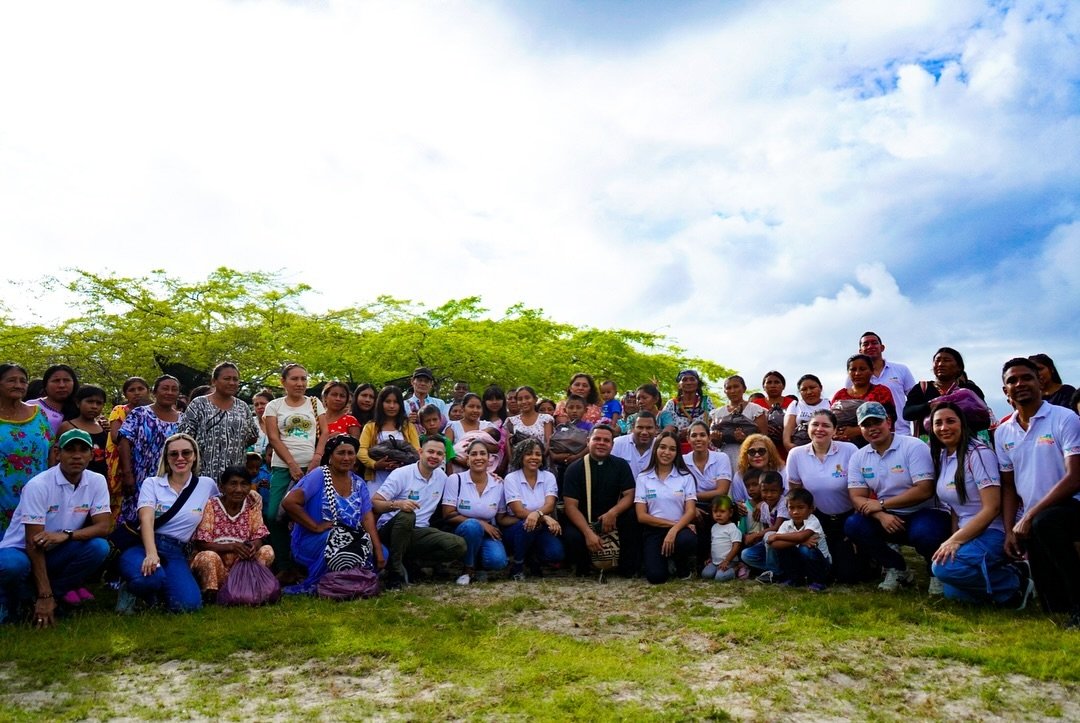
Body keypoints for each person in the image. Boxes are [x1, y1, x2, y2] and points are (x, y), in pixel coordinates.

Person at [996, 358, 1080, 626]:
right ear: (1004, 390)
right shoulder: (1002, 432)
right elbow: (1008, 486)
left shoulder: (1064, 417)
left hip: (1069, 507)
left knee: (1047, 521)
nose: (1019, 384)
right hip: (1033, 520)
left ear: (1039, 382)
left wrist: (1030, 515)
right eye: (1012, 380)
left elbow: (1075, 476)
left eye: (1026, 378)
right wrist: (1010, 529)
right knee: (1051, 606)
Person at [0, 430, 110, 626]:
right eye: (70, 450)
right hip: (21, 551)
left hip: (57, 547)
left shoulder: (96, 481)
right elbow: (33, 544)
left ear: (91, 455)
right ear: (58, 454)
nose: (77, 456)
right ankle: (19, 601)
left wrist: (66, 536)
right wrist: (44, 594)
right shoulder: (39, 485)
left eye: (83, 450)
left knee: (99, 547)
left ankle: (48, 598)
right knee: (12, 566)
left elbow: (104, 526)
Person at [844, 402, 949, 593]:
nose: (872, 428)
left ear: (889, 422)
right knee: (853, 524)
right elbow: (857, 497)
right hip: (887, 515)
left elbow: (924, 489)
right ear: (860, 429)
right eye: (866, 425)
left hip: (924, 512)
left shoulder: (913, 446)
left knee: (925, 533)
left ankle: (936, 572)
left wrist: (882, 504)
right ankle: (897, 568)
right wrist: (881, 514)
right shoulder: (859, 457)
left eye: (877, 422)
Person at [927, 402, 1025, 606]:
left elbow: (992, 508)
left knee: (943, 569)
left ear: (962, 423)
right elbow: (956, 506)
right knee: (953, 592)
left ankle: (1016, 584)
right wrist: (953, 538)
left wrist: (954, 541)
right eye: (938, 423)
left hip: (993, 532)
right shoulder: (944, 455)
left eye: (950, 421)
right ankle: (1003, 576)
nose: (944, 427)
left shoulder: (978, 453)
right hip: (969, 532)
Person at [117, 433, 219, 613]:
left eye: (186, 453)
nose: (180, 458)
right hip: (144, 544)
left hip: (175, 550)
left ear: (194, 456)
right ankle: (131, 589)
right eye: (174, 454)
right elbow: (146, 519)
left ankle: (156, 595)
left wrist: (252, 495)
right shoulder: (153, 483)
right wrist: (151, 554)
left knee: (189, 605)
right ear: (166, 458)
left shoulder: (206, 485)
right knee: (149, 578)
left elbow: (220, 508)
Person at [280, 435, 385, 594]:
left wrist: (377, 548)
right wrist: (315, 526)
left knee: (382, 552)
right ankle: (327, 582)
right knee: (338, 541)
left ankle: (348, 582)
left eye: (350, 453)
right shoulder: (319, 475)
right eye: (341, 453)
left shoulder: (358, 483)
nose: (346, 458)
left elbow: (367, 517)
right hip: (315, 539)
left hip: (349, 537)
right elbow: (289, 503)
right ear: (330, 456)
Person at [372, 434, 467, 589]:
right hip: (392, 529)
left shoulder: (442, 478)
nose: (434, 456)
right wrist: (398, 504)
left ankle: (411, 563)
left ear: (443, 457)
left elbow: (463, 488)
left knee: (457, 545)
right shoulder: (402, 474)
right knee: (407, 516)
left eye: (439, 454)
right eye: (430, 452)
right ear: (420, 452)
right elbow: (375, 503)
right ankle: (395, 572)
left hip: (418, 531)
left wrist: (491, 478)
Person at [263, 363, 328, 574]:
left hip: (311, 468)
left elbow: (325, 433)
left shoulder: (315, 403)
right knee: (274, 515)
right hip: (283, 467)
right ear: (283, 382)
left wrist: (317, 459)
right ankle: (284, 564)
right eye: (295, 379)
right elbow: (273, 437)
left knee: (309, 515)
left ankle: (307, 564)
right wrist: (291, 464)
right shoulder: (274, 405)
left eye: (304, 379)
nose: (300, 383)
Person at [785, 410, 862, 583]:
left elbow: (859, 488)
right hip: (817, 520)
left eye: (826, 425)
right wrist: (803, 528)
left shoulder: (849, 450)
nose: (820, 429)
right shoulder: (796, 454)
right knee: (822, 568)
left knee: (847, 576)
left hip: (847, 518)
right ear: (808, 428)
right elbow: (796, 495)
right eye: (815, 425)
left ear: (835, 430)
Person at [561, 425, 640, 577]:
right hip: (584, 520)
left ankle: (625, 568)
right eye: (597, 439)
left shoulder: (621, 465)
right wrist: (588, 533)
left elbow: (630, 494)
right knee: (573, 536)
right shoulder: (574, 469)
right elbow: (570, 506)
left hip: (613, 518)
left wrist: (613, 513)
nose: (601, 443)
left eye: (606, 440)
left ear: (612, 445)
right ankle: (584, 568)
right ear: (588, 441)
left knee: (632, 517)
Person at [190, 465, 274, 603]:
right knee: (207, 557)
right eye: (233, 484)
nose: (239, 489)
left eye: (244, 484)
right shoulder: (211, 505)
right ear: (222, 487)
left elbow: (259, 535)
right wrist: (232, 546)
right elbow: (201, 543)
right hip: (219, 566)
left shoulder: (252, 505)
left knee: (267, 550)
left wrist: (253, 546)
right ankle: (212, 594)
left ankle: (250, 589)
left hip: (242, 566)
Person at [117, 375, 183, 531]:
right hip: (139, 476)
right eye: (165, 388)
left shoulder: (183, 419)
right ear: (154, 392)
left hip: (168, 479)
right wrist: (127, 474)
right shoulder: (140, 413)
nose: (169, 392)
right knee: (136, 520)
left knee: (163, 520)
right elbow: (124, 442)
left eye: (174, 389)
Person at [441, 440, 511, 585]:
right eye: (474, 454)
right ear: (467, 460)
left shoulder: (498, 483)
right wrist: (480, 523)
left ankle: (479, 565)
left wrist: (533, 516)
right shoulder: (455, 480)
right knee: (472, 526)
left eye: (482, 454)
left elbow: (501, 517)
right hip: (462, 531)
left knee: (498, 561)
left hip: (487, 534)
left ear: (489, 459)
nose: (478, 457)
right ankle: (468, 569)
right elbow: (448, 514)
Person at [179, 362, 259, 484]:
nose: (232, 382)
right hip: (203, 474)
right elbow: (184, 438)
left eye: (235, 379)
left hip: (235, 477)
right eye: (226, 379)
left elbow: (252, 437)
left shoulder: (243, 407)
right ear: (214, 381)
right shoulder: (199, 404)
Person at [635, 430, 698, 584]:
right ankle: (664, 560)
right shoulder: (643, 477)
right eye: (662, 447)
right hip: (654, 530)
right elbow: (641, 516)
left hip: (680, 530)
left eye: (672, 449)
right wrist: (672, 526)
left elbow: (690, 511)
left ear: (677, 453)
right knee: (656, 578)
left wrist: (675, 530)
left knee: (687, 540)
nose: (666, 452)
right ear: (655, 449)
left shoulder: (685, 477)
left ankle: (680, 563)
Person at [501, 439, 563, 580]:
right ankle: (517, 566)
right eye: (529, 454)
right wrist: (544, 517)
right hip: (517, 528)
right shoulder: (511, 478)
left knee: (556, 553)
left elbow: (550, 505)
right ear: (521, 457)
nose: (534, 457)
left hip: (541, 527)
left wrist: (538, 514)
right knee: (527, 525)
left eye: (538, 454)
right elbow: (518, 511)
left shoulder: (548, 476)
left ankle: (532, 557)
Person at [903, 347, 987, 438]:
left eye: (946, 360)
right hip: (929, 446)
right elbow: (907, 413)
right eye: (937, 360)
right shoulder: (922, 388)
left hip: (964, 445)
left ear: (959, 367)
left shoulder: (970, 390)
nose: (940, 364)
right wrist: (930, 406)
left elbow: (985, 420)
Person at [358, 386, 420, 499]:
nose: (392, 406)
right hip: (377, 478)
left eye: (395, 402)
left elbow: (416, 450)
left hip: (404, 479)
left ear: (400, 405)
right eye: (387, 401)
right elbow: (361, 450)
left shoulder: (408, 427)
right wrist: (375, 464)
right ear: (380, 403)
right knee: (375, 508)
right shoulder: (370, 427)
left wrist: (402, 462)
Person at [852, 332, 916, 435]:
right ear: (860, 351)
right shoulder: (854, 376)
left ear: (882, 347)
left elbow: (915, 401)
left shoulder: (901, 370)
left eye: (874, 343)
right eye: (865, 344)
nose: (870, 346)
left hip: (901, 433)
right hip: (868, 436)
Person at [768, 487, 831, 591]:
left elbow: (801, 536)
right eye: (791, 508)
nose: (795, 512)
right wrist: (799, 542)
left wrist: (777, 536)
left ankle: (819, 581)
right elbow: (774, 544)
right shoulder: (786, 524)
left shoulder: (813, 521)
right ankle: (793, 579)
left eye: (800, 507)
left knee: (805, 549)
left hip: (821, 564)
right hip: (801, 563)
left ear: (811, 509)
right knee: (786, 549)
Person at [832, 354, 896, 447]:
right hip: (844, 448)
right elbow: (831, 421)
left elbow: (889, 419)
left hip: (877, 446)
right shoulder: (840, 395)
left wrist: (856, 431)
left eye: (862, 369)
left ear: (872, 371)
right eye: (853, 370)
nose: (857, 373)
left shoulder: (881, 392)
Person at [106, 376, 150, 508]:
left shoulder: (154, 411)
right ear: (125, 394)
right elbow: (115, 437)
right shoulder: (120, 410)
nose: (137, 392)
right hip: (121, 461)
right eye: (132, 390)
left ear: (148, 391)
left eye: (141, 389)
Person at [710, 375, 768, 468]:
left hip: (751, 458)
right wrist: (716, 441)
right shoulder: (717, 413)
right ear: (725, 391)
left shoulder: (755, 410)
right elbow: (714, 443)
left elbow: (764, 438)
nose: (732, 391)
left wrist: (746, 440)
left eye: (736, 386)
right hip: (724, 457)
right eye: (728, 388)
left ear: (744, 389)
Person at [740, 471, 787, 581]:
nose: (769, 495)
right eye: (765, 491)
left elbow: (776, 527)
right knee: (746, 555)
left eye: (773, 491)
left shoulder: (783, 503)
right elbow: (766, 526)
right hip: (771, 542)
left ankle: (774, 573)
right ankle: (779, 570)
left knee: (769, 536)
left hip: (784, 539)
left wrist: (756, 535)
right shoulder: (764, 506)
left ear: (782, 491)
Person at [54, 385, 109, 477]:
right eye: (90, 402)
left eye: (99, 403)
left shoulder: (103, 427)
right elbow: (56, 453)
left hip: (100, 477)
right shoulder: (67, 426)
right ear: (78, 403)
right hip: (72, 476)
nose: (94, 406)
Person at [444, 393, 498, 472]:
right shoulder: (452, 426)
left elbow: (496, 448)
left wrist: (478, 443)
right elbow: (446, 449)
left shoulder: (487, 426)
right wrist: (466, 463)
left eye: (478, 407)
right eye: (471, 406)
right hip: (459, 471)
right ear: (463, 408)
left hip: (482, 471)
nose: (475, 410)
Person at [28, 364, 79, 438]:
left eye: (66, 380)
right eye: (56, 380)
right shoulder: (31, 406)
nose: (62, 385)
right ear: (45, 385)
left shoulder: (80, 408)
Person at [662, 370, 715, 440]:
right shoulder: (672, 403)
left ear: (698, 383)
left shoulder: (706, 401)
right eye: (684, 380)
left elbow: (713, 422)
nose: (689, 383)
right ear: (679, 385)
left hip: (701, 443)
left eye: (692, 379)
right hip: (677, 445)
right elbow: (666, 426)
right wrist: (678, 433)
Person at [783, 374, 831, 452]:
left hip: (825, 448)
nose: (809, 392)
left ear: (821, 388)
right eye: (804, 389)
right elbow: (788, 428)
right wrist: (788, 444)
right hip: (800, 448)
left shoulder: (829, 404)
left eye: (812, 388)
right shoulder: (795, 405)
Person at [700, 496, 742, 582]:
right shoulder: (714, 527)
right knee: (706, 574)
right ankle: (717, 569)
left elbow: (736, 546)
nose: (718, 514)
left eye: (722, 511)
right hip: (715, 561)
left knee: (720, 578)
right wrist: (710, 558)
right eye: (715, 511)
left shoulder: (732, 528)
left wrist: (727, 561)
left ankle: (737, 568)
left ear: (730, 513)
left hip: (730, 561)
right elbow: (713, 544)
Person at [755, 371, 797, 457]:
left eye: (777, 382)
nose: (773, 385)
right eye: (769, 382)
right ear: (763, 386)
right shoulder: (755, 405)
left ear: (783, 386)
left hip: (787, 450)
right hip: (762, 452)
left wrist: (785, 432)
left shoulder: (793, 404)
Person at [612, 411, 658, 479]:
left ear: (656, 429)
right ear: (633, 428)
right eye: (640, 427)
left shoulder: (660, 445)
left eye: (649, 428)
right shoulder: (617, 443)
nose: (644, 432)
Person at [481, 384, 509, 474]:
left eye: (498, 399)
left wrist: (502, 467)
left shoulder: (509, 421)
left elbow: (508, 446)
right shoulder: (479, 421)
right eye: (490, 399)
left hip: (502, 466)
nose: (494, 402)